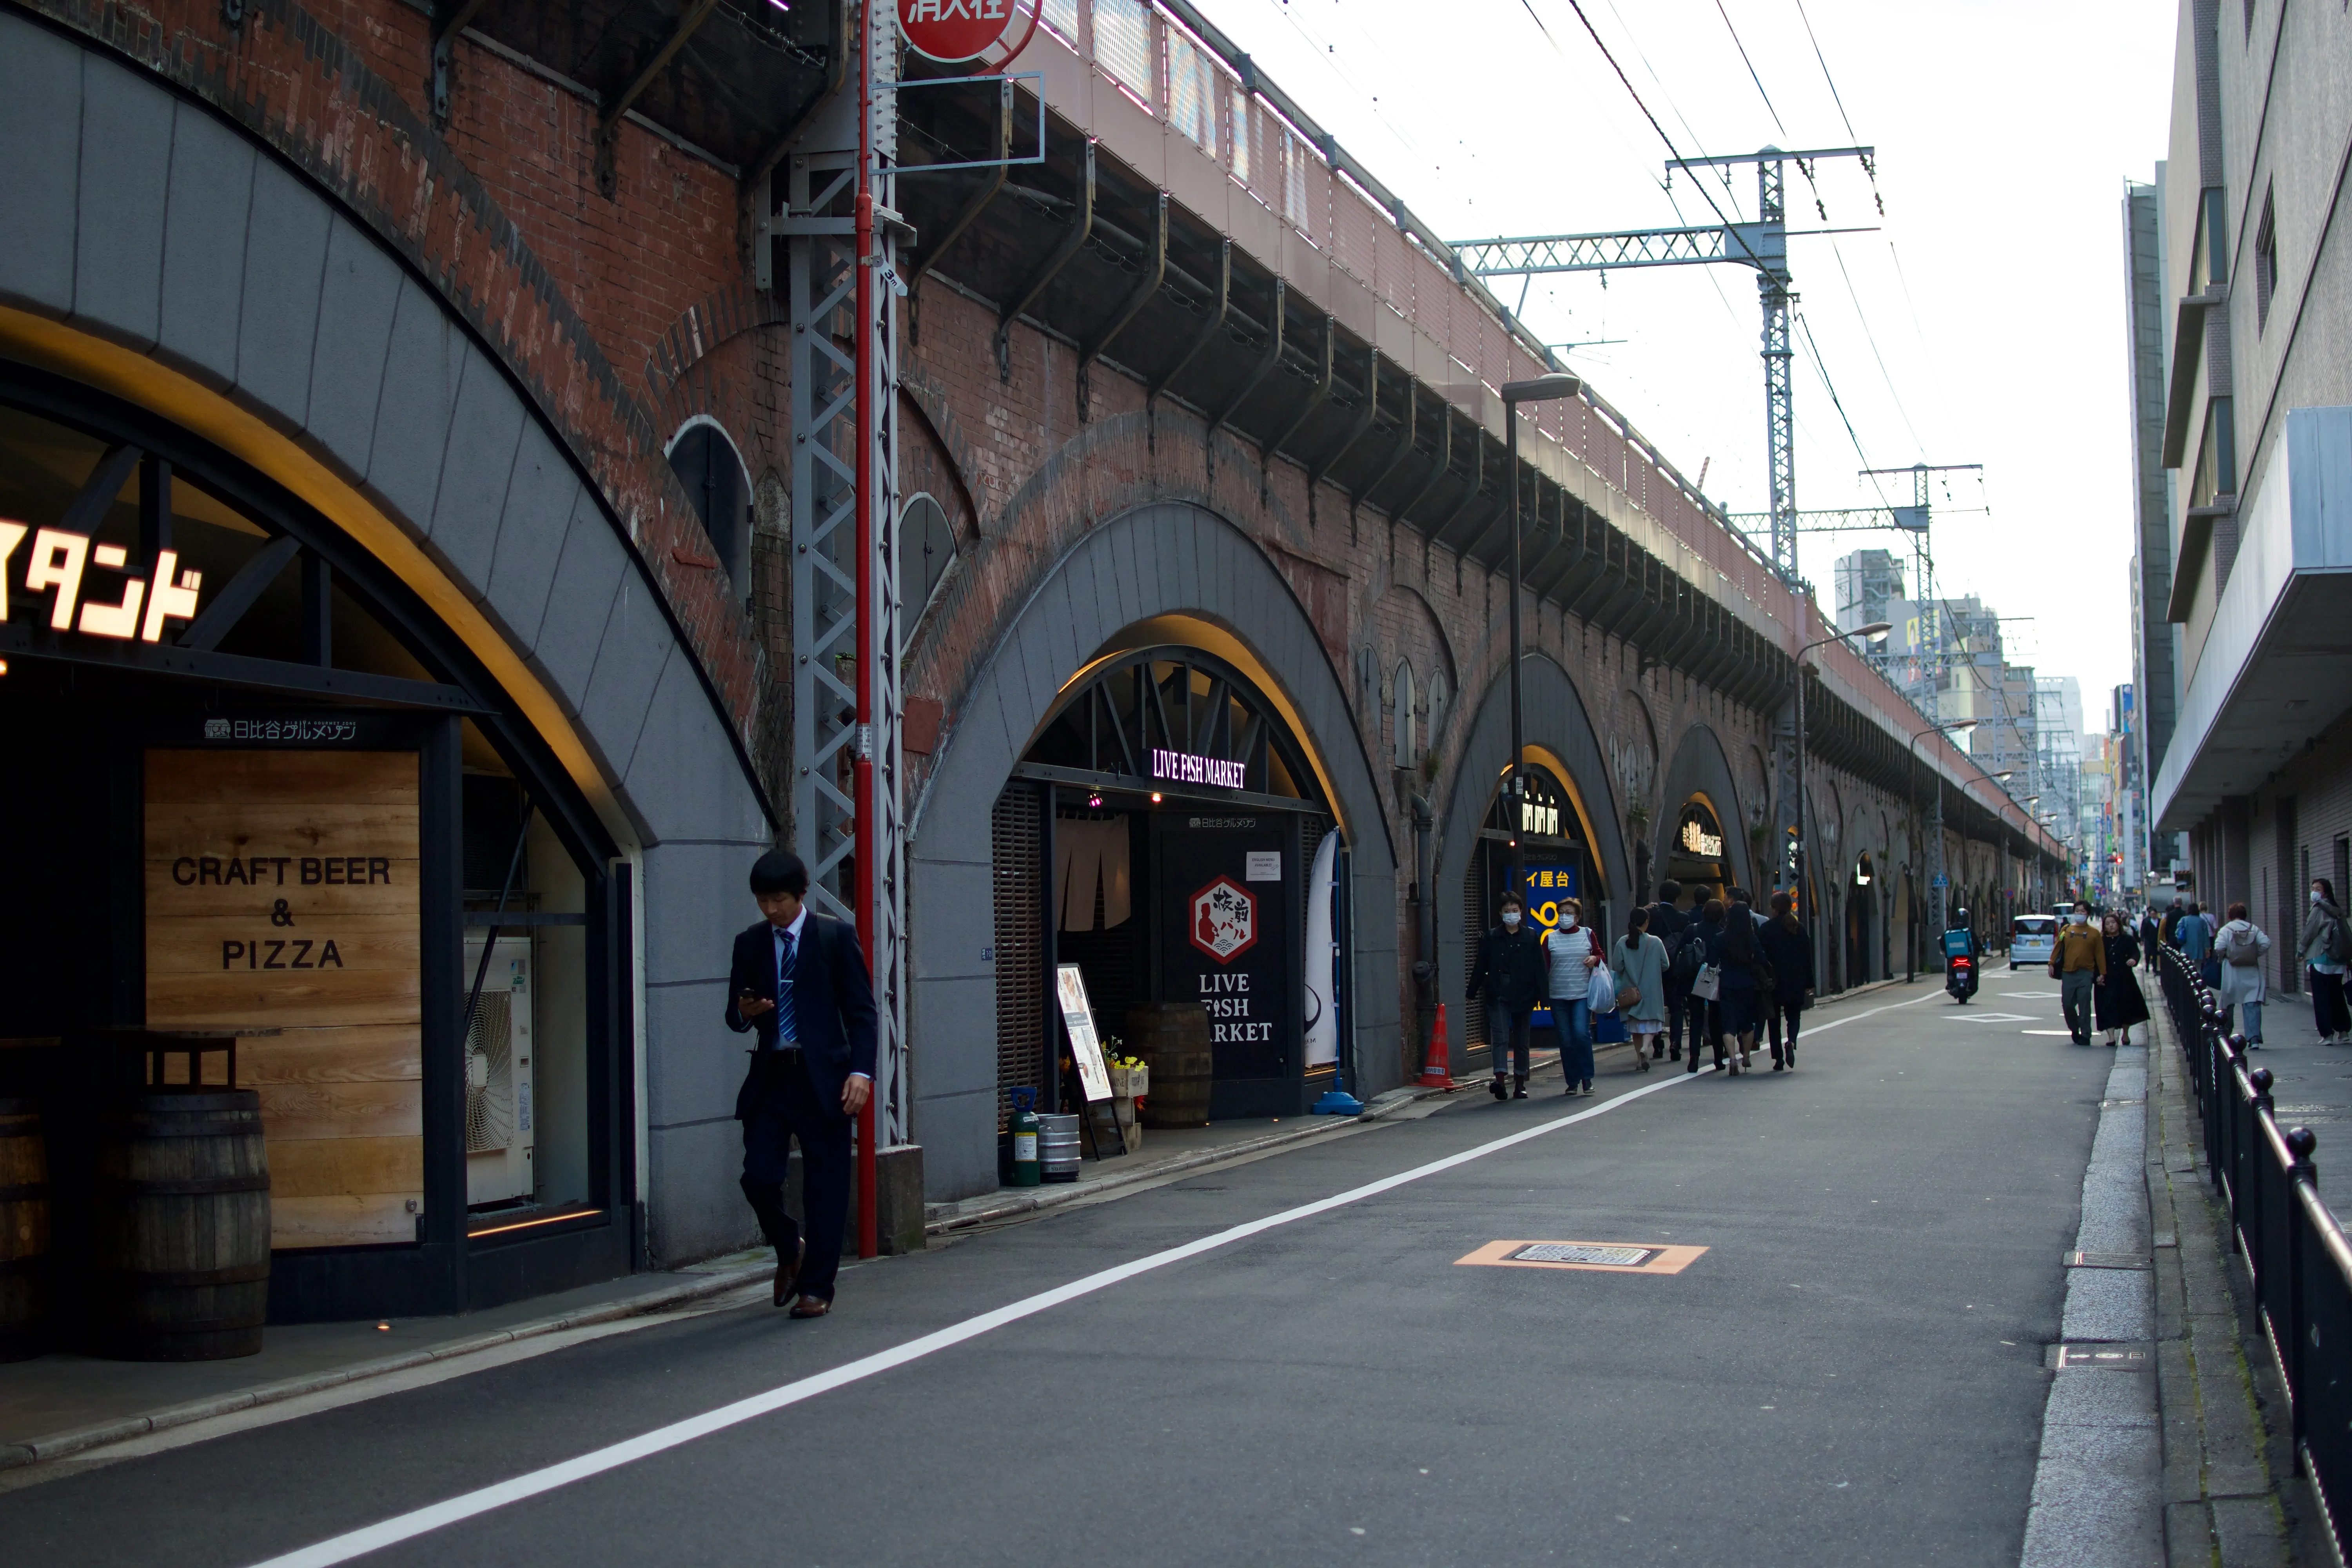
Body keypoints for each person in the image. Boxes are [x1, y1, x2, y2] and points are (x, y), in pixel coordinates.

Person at [726, 848, 877, 1316]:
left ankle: (817, 1289)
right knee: (759, 1176)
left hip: (826, 1079)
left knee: (826, 1185)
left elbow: (863, 1013)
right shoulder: (750, 943)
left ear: (800, 894)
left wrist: (861, 1071)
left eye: (778, 900)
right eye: (762, 901)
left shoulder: (833, 937)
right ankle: (790, 1244)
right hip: (772, 1077)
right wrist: (744, 1013)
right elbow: (733, 1015)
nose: (770, 910)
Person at [1468, 892, 1546, 1100]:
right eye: (1506, 911)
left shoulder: (1530, 936)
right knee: (1500, 1037)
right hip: (1499, 990)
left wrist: (1543, 996)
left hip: (1525, 992)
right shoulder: (1492, 937)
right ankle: (1500, 1080)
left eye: (1514, 910)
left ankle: (1520, 1083)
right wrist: (1472, 990)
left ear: (1521, 912)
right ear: (1500, 914)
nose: (1511, 914)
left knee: (1522, 1040)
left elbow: (1540, 967)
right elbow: (1481, 965)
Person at [1541, 897, 1601, 1097]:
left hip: (1582, 994)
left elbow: (1600, 955)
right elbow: (1544, 967)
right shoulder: (1551, 938)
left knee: (1581, 1033)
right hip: (1558, 995)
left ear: (1577, 918)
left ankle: (1587, 1078)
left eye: (1569, 913)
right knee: (1565, 1039)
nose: (1564, 917)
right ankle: (1572, 1081)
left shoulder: (1587, 934)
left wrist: (1595, 958)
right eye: (1562, 913)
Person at [1758, 891, 1815, 1071]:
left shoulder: (1767, 929)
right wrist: (1809, 982)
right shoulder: (1799, 929)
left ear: (1774, 909)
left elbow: (1761, 957)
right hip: (1796, 980)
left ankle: (1778, 1059)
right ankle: (1791, 1041)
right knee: (1794, 1016)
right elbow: (1807, 957)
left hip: (1774, 982)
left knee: (1774, 1021)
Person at [1614, 906, 1670, 1074]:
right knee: (1652, 1025)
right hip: (1651, 991)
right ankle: (1646, 1048)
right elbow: (1666, 965)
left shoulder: (1622, 942)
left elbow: (1617, 966)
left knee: (1635, 1028)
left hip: (1631, 992)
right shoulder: (1656, 942)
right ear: (1646, 922)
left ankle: (1639, 1060)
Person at [2212, 901, 2272, 1047]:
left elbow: (2219, 947)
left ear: (2230, 916)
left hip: (2231, 971)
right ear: (2245, 916)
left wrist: (2225, 956)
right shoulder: (2253, 929)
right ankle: (2254, 1039)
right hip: (2251, 970)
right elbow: (2266, 943)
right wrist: (2254, 954)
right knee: (2252, 1004)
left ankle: (2226, 1032)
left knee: (2228, 1002)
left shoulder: (2226, 930)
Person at [1716, 890, 1764, 1074]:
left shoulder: (1721, 938)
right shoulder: (1752, 939)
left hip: (1727, 983)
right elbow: (1761, 958)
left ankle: (1732, 1059)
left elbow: (1712, 960)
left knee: (1728, 1023)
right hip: (1747, 984)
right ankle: (1746, 1057)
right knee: (1747, 1023)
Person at [2049, 900, 2107, 1047]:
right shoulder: (2066, 931)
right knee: (2067, 1004)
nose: (2080, 914)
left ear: (2088, 914)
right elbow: (2058, 947)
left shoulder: (2094, 934)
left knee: (2085, 1004)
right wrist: (2051, 963)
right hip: (2068, 973)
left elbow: (2100, 954)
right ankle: (2074, 1029)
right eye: (2077, 911)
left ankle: (2086, 1034)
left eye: (2083, 912)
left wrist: (2102, 973)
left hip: (2086, 973)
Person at [1647, 880, 1693, 1062]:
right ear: (1677, 897)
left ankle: (1658, 1045)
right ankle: (1675, 1043)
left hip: (1653, 967)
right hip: (1675, 967)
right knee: (1677, 1007)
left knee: (1656, 1006)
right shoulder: (1683, 918)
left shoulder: (1650, 915)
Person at [2301, 878, 2350, 1045]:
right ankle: (2343, 1031)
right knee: (2337, 995)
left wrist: (2301, 950)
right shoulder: (2337, 910)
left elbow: (2310, 932)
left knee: (2321, 997)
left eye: (2318, 889)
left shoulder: (2319, 909)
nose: (2314, 892)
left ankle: (2327, 1034)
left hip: (2321, 956)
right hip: (2338, 961)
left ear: (2326, 892)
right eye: (2313, 888)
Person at [2094, 910, 2151, 1047]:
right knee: (2107, 1008)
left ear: (2119, 924)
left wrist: (2133, 960)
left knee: (2126, 1007)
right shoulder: (2101, 942)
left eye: (2113, 923)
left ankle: (2125, 1034)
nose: (2111, 926)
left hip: (2125, 978)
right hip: (2107, 979)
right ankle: (2111, 1037)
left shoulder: (2127, 939)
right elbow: (2095, 960)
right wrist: (2097, 976)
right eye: (2108, 924)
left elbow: (2135, 953)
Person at [1688, 898, 1729, 1074]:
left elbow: (1682, 951)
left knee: (1696, 1019)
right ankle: (1718, 1059)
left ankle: (1694, 1059)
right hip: (1716, 980)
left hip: (1695, 978)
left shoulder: (1693, 929)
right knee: (1716, 1019)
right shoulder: (1722, 933)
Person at [2177, 901, 2217, 988]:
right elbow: (2206, 937)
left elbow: (2178, 933)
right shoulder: (2202, 922)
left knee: (2186, 967)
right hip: (2199, 948)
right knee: (2198, 968)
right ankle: (2198, 985)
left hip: (2186, 948)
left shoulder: (2184, 920)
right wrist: (2207, 949)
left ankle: (2187, 984)